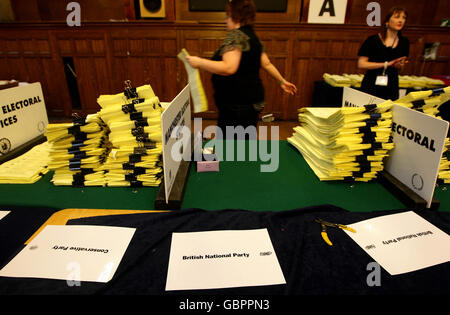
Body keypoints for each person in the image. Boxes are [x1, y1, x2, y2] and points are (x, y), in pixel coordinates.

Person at [186, 0, 297, 138]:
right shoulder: (253, 37)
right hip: (253, 102)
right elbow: (267, 63)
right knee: (245, 141)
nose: (226, 21)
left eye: (227, 16)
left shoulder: (236, 35)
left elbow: (229, 68)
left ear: (236, 17)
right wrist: (282, 81)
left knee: (229, 145)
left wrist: (199, 62)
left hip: (237, 104)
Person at [357, 6, 410, 101]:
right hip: (371, 82)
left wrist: (398, 65)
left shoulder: (404, 42)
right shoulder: (372, 40)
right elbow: (361, 64)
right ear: (387, 21)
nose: (400, 20)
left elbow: (401, 69)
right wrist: (386, 64)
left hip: (392, 84)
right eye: (397, 17)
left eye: (403, 18)